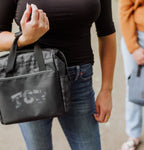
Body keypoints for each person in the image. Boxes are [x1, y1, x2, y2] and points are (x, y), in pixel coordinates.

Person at [0, 0, 116, 150]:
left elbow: (107, 32)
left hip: (79, 80)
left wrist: (107, 89)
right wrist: (23, 39)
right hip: (30, 82)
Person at [119, 0, 144, 149]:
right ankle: (133, 134)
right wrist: (133, 47)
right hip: (138, 37)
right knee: (133, 87)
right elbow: (124, 10)